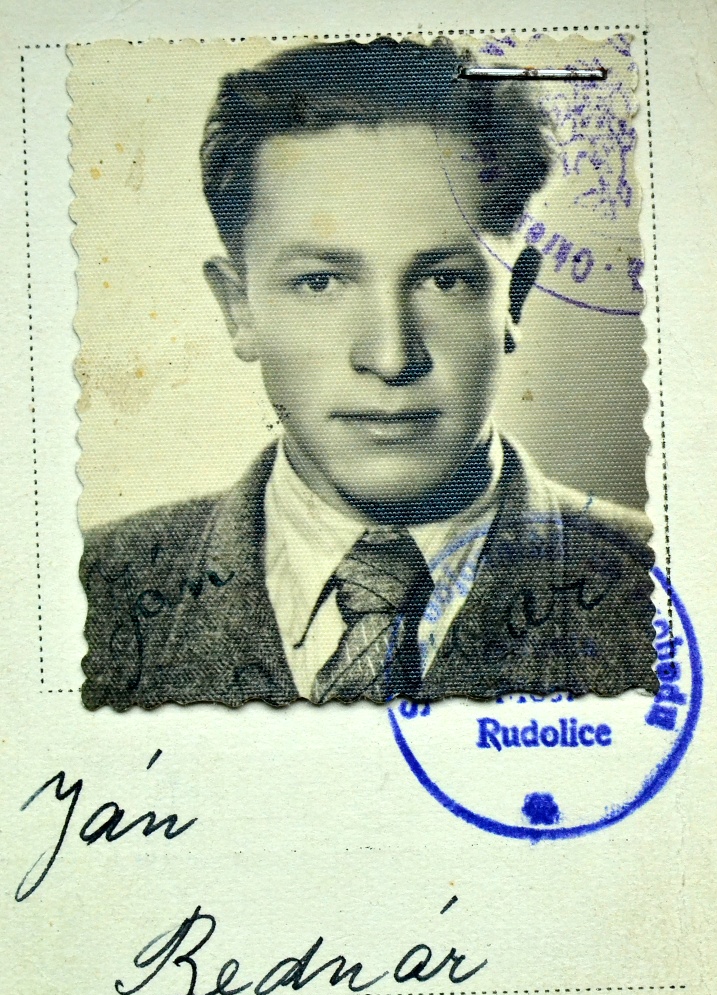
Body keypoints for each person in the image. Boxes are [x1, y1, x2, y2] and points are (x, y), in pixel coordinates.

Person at [81, 36, 658, 711]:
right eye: (320, 282)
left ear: (515, 298)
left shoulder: (670, 586)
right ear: (240, 309)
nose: (390, 358)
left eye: (444, 280)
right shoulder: (85, 587)